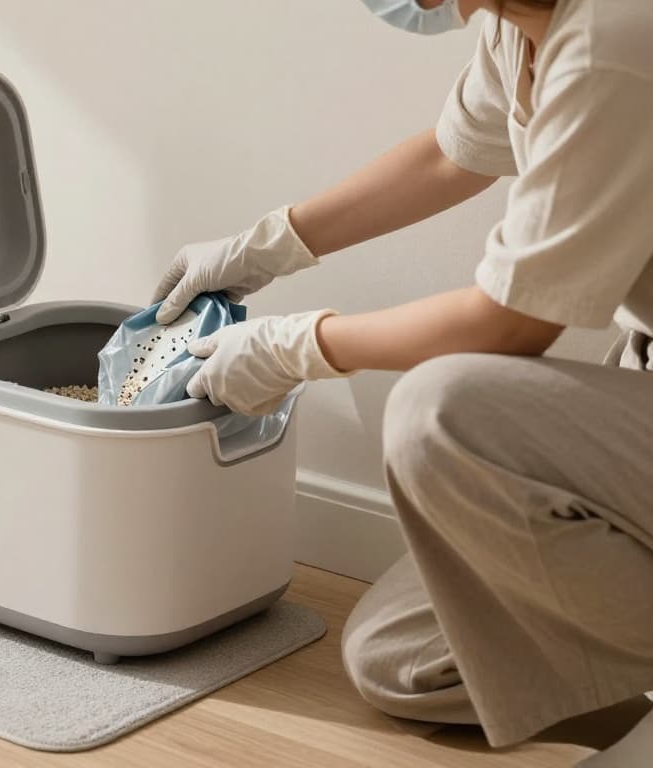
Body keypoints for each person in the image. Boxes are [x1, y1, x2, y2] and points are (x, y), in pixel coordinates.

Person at [152, 0, 653, 762]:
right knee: (398, 661)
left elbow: (511, 325)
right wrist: (267, 244)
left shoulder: (615, 38)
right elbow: (450, 158)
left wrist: (300, 346)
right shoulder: (515, 27)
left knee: (437, 411)